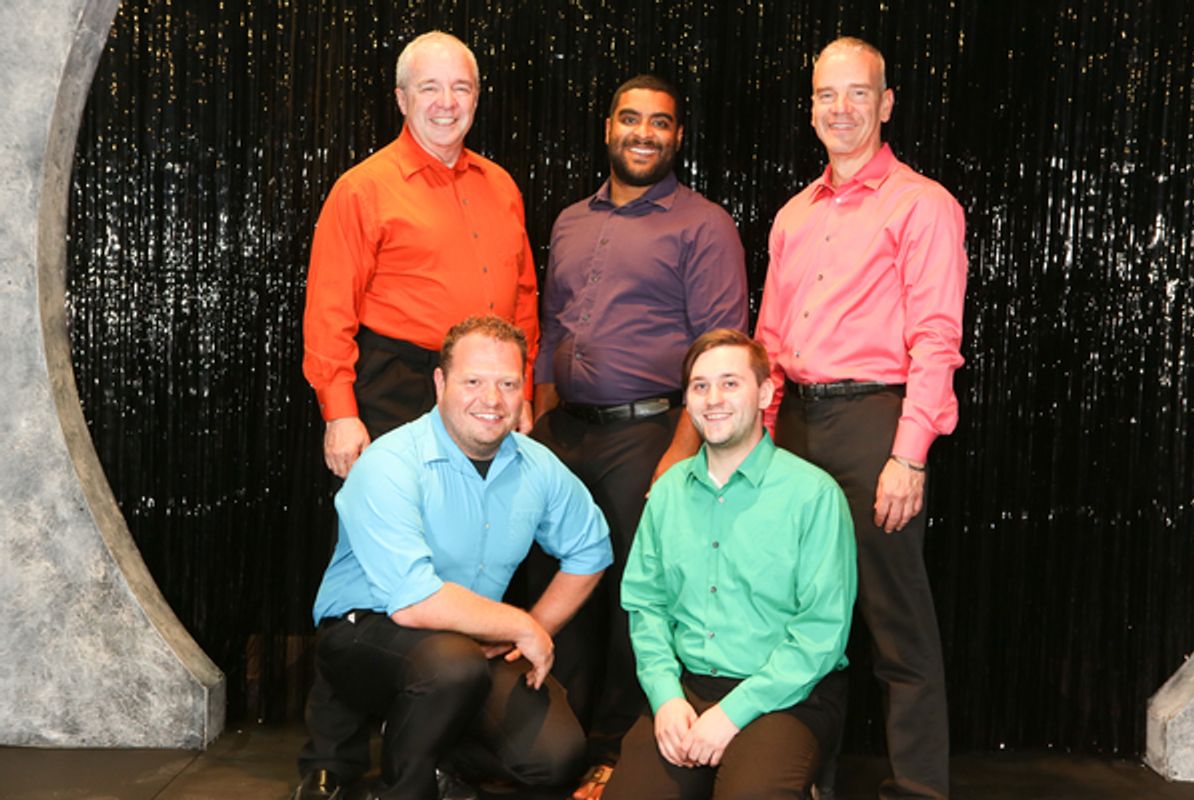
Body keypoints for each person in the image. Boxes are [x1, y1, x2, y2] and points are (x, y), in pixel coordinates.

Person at [755, 37, 968, 800]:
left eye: (857, 93)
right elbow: (768, 342)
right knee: (801, 620)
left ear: (886, 104)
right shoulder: (792, 215)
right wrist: (759, 442)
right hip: (795, 425)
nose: (840, 109)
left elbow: (936, 338)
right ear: (810, 107)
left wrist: (908, 455)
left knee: (895, 620)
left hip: (875, 423)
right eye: (826, 95)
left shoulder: (923, 204)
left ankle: (919, 789)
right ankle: (805, 779)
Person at [530, 74, 748, 797]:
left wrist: (678, 454)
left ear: (678, 136)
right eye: (631, 118)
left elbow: (719, 347)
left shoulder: (704, 225)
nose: (643, 133)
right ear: (608, 128)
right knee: (557, 589)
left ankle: (616, 751)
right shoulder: (570, 220)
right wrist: (538, 429)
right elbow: (552, 330)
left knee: (636, 600)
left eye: (659, 122)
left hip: (649, 434)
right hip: (563, 434)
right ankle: (548, 747)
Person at [292, 316, 612, 800]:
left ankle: (434, 754)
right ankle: (402, 790)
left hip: (468, 642)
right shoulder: (391, 462)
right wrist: (521, 626)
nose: (492, 400)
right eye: (474, 382)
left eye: (508, 384)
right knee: (451, 665)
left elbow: (590, 549)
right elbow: (413, 602)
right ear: (440, 384)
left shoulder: (537, 465)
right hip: (365, 633)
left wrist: (533, 626)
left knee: (556, 756)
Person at [605, 329, 856, 799]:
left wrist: (731, 714)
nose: (713, 399)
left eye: (730, 383)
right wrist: (665, 696)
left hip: (786, 695)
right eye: (700, 386)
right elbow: (646, 605)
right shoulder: (667, 492)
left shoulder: (814, 495)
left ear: (764, 393)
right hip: (688, 686)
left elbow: (821, 633)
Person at [303, 31, 539, 480]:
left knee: (481, 517)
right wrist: (340, 414)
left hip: (487, 392)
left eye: (460, 88)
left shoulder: (502, 187)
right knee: (396, 517)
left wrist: (521, 389)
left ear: (476, 98)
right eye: (429, 87)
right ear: (401, 99)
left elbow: (525, 297)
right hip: (396, 388)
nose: (446, 102)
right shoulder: (362, 189)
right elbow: (328, 313)